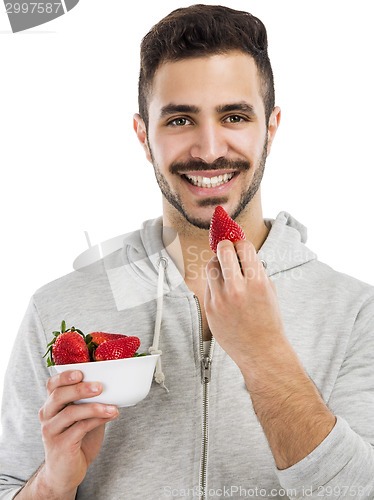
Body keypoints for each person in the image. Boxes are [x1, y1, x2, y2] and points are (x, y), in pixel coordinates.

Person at [1, 4, 374, 499]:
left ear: (272, 127)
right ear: (143, 135)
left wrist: (264, 356)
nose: (208, 149)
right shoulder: (59, 309)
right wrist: (52, 483)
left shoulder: (355, 315)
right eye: (180, 119)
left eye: (235, 116)